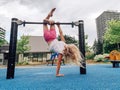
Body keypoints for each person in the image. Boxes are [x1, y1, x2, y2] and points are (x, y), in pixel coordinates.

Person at [43, 8, 84, 77]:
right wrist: (57, 73)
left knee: (51, 22)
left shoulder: (64, 43)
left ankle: (50, 16)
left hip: (53, 36)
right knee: (44, 23)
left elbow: (61, 33)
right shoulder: (61, 52)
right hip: (48, 39)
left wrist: (58, 26)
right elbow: (58, 63)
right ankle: (48, 19)